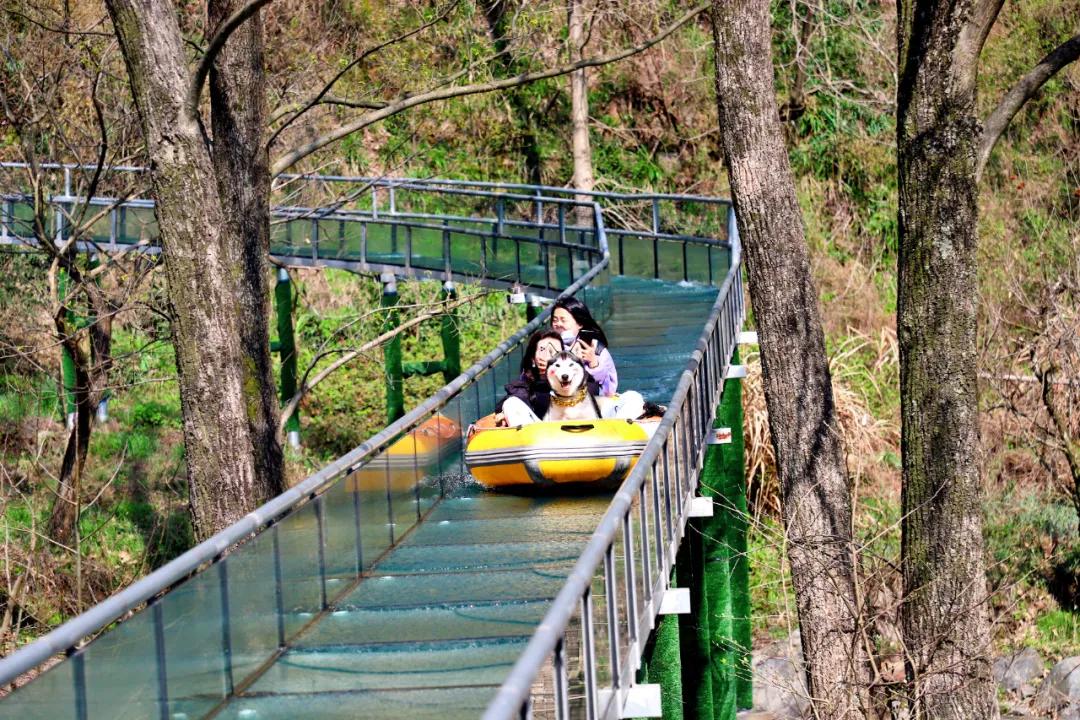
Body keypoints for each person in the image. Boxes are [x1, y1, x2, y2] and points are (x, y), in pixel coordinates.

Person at [496, 329, 600, 426]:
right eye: (542, 349)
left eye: (554, 351)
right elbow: (508, 401)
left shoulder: (576, 377)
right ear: (533, 359)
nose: (548, 355)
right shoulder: (526, 385)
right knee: (510, 403)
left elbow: (593, 392)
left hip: (577, 429)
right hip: (541, 433)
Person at [551, 296, 618, 396]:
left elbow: (609, 389)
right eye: (555, 320)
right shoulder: (546, 345)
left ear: (580, 323)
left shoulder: (595, 348)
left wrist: (594, 364)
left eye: (563, 320)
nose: (558, 324)